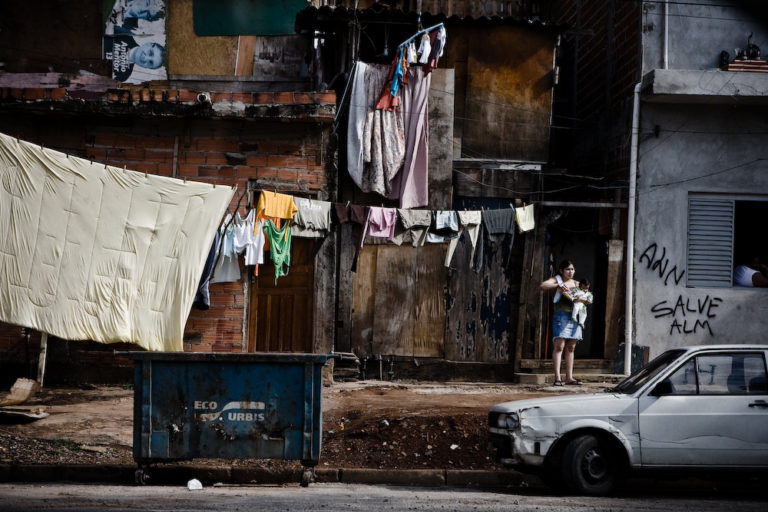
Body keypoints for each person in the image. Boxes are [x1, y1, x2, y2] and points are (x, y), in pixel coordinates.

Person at [540, 260, 593, 386]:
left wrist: (585, 299)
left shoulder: (578, 283)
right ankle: (557, 378)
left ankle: (569, 378)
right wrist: (558, 285)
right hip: (562, 316)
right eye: (568, 269)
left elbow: (588, 297)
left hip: (577, 317)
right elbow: (543, 285)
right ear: (561, 271)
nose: (571, 272)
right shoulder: (557, 280)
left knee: (571, 347)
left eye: (572, 269)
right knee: (559, 346)